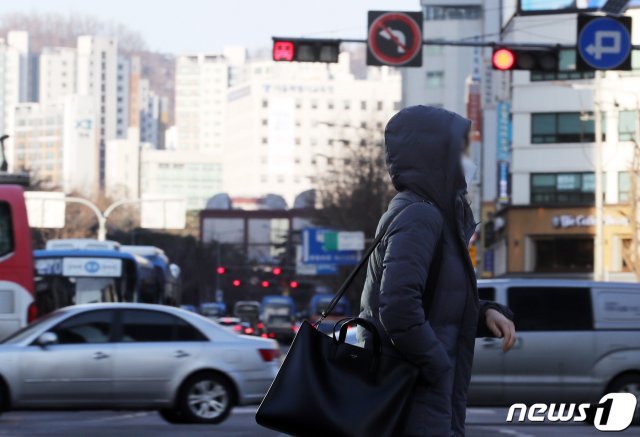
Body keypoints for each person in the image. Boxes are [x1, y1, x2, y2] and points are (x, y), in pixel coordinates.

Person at [358, 105, 516, 437]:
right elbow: (398, 306)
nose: (466, 162)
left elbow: (435, 299)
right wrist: (437, 365)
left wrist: (485, 313)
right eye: (459, 152)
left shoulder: (433, 216)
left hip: (423, 393)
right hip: (414, 393)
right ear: (433, 157)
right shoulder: (419, 216)